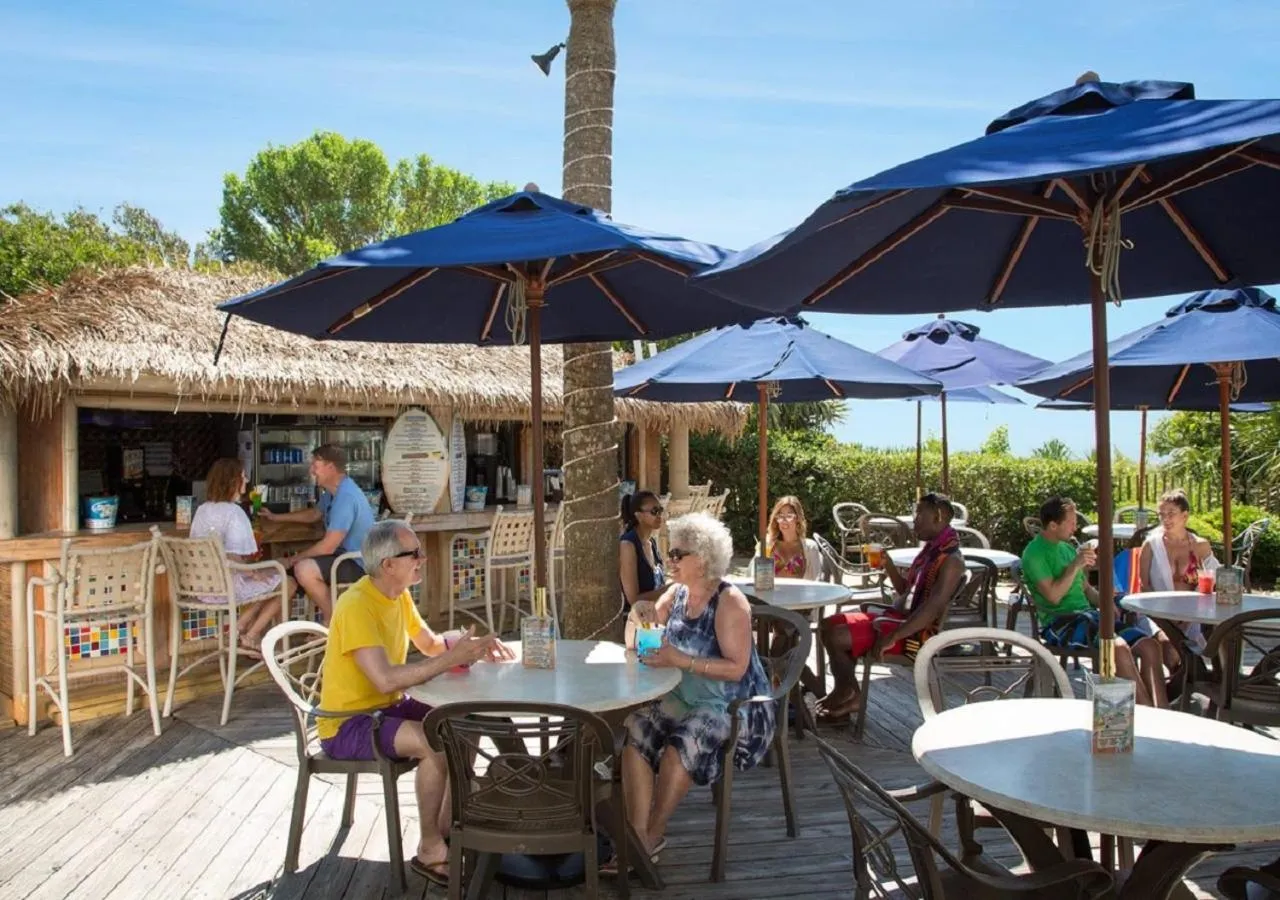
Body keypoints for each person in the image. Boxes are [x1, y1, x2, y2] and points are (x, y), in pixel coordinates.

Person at [317, 519, 514, 886]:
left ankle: (448, 824)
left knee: (463, 718)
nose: (423, 558)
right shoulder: (356, 605)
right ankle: (429, 847)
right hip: (347, 722)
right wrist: (450, 659)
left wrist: (469, 647)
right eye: (415, 553)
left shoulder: (398, 594)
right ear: (388, 564)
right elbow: (385, 678)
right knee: (432, 741)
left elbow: (430, 645)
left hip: (388, 706)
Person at [615, 512, 774, 870]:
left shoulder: (729, 602)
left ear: (701, 560)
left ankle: (653, 832)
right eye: (669, 553)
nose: (669, 560)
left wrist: (681, 660)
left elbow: (737, 668)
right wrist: (639, 618)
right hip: (684, 697)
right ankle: (636, 835)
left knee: (683, 744)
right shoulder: (676, 593)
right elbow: (641, 637)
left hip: (733, 705)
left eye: (677, 554)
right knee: (635, 727)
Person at [814, 492, 966, 721]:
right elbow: (906, 590)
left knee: (836, 635)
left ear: (938, 517)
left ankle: (849, 694)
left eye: (919, 515)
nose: (914, 520)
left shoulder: (951, 560)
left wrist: (893, 636)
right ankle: (846, 691)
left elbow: (932, 610)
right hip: (898, 619)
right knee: (828, 625)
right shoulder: (932, 551)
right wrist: (889, 565)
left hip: (913, 635)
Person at [1022, 496, 1165, 707]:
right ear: (1053, 525)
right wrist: (1075, 565)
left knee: (1150, 646)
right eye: (1071, 522)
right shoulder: (1034, 554)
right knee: (1118, 647)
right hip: (1060, 623)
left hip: (1089, 616)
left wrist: (1108, 602)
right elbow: (1053, 596)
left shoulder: (1066, 548)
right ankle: (1148, 714)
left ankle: (1162, 710)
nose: (1075, 527)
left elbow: (1087, 590)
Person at [260, 444, 375, 621]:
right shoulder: (333, 492)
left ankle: (334, 623)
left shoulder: (346, 497)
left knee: (304, 569)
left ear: (330, 467)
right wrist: (276, 517)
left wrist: (292, 559)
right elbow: (314, 514)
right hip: (341, 558)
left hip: (358, 563)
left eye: (315, 465)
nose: (312, 471)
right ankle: (282, 633)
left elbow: (328, 546)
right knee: (282, 577)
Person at [188, 458, 285, 651]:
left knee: (270, 580)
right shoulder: (234, 512)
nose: (246, 480)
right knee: (285, 581)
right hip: (227, 589)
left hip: (202, 588)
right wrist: (255, 573)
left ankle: (239, 628)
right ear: (233, 481)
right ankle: (249, 634)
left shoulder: (201, 510)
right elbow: (234, 557)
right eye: (243, 476)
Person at [1140, 488, 1218, 656]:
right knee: (1170, 647)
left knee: (1222, 639)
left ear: (1185, 515)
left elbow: (1214, 580)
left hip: (1193, 614)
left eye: (1171, 514)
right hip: (1157, 612)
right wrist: (1165, 618)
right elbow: (1144, 586)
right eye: (1161, 514)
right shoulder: (1151, 545)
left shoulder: (1200, 546)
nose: (1165, 519)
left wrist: (1190, 617)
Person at [619, 490, 666, 609]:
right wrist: (669, 590)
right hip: (635, 617)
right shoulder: (628, 545)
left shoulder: (651, 542)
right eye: (654, 511)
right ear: (638, 515)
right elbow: (633, 599)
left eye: (660, 510)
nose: (659, 515)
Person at [764, 496, 822, 579]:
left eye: (789, 516)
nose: (784, 520)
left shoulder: (810, 547)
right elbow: (758, 578)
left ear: (797, 519)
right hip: (773, 588)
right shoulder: (767, 545)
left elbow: (817, 580)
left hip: (801, 588)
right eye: (780, 516)